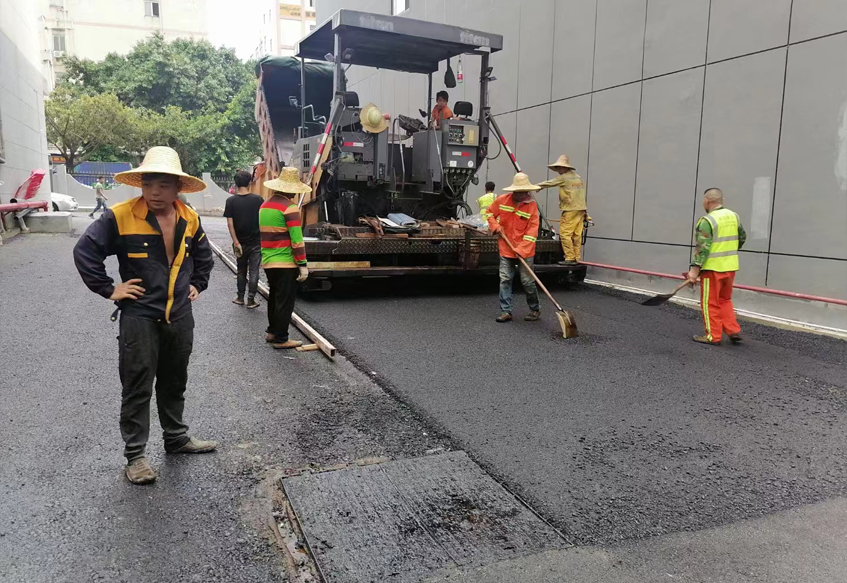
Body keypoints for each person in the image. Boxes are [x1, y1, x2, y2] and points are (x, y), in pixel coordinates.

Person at [73, 146, 217, 485]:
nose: (155, 192)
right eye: (149, 183)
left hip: (179, 314)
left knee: (174, 379)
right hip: (139, 315)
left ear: (177, 188)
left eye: (164, 185)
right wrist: (110, 289)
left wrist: (198, 283)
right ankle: (136, 456)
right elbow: (85, 252)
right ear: (141, 185)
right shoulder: (120, 216)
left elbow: (203, 254)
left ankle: (176, 437)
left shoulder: (189, 217)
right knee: (138, 385)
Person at [685, 188, 747, 346]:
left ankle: (713, 336)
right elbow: (742, 238)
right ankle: (732, 330)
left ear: (706, 201)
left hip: (712, 269)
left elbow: (702, 248)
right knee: (725, 299)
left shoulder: (707, 221)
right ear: (722, 200)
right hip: (730, 267)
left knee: (709, 302)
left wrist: (694, 271)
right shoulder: (734, 216)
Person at [260, 167, 311, 349]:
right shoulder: (289, 209)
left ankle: (272, 332)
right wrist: (303, 265)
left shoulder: (264, 206)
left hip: (268, 260)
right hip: (285, 262)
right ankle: (281, 338)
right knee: (285, 301)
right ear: (290, 190)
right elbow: (297, 241)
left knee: (274, 297)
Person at [486, 172, 541, 323]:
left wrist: (521, 249)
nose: (524, 194)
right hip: (506, 247)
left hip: (525, 250)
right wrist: (496, 226)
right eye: (521, 192)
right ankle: (506, 311)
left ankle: (535, 309)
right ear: (515, 191)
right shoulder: (502, 201)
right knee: (505, 279)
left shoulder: (531, 207)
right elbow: (489, 213)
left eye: (526, 191)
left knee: (527, 281)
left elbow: (532, 231)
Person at [536, 155, 586, 266]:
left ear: (564, 167)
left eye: (559, 168)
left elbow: (550, 183)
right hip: (581, 209)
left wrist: (535, 187)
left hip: (570, 209)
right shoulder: (578, 178)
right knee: (576, 235)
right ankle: (576, 257)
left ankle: (570, 257)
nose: (558, 170)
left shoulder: (564, 177)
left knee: (565, 234)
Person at [224, 169, 264, 309]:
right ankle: (251, 300)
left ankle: (240, 297)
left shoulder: (231, 201)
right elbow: (262, 221)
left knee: (241, 270)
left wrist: (236, 241)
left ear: (235, 183)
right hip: (255, 243)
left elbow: (230, 224)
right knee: (254, 271)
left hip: (239, 243)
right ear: (249, 182)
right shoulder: (258, 200)